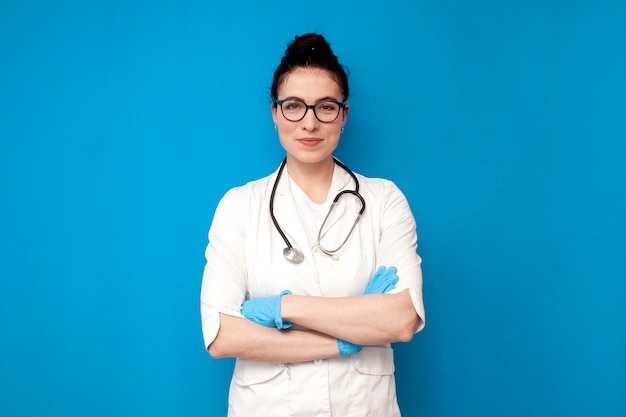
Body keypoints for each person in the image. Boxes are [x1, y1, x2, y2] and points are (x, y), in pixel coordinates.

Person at [200, 33, 425, 417]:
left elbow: (402, 320)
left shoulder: (385, 200)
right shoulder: (239, 206)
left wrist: (286, 307)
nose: (309, 123)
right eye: (293, 106)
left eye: (325, 107)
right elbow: (223, 334)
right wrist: (345, 337)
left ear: (344, 116)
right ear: (274, 114)